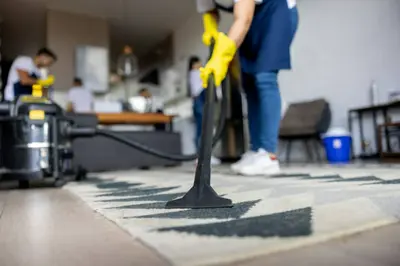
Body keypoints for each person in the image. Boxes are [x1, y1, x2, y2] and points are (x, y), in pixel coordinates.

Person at [196, 0, 299, 175]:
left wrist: (222, 57)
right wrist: (211, 30)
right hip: (251, 19)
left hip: (275, 12)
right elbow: (210, 11)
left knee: (264, 78)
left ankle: (268, 154)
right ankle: (256, 150)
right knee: (249, 84)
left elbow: (243, 18)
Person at [188, 56, 221, 165]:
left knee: (200, 130)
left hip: (198, 103)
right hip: (200, 103)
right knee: (204, 130)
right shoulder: (195, 73)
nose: (200, 65)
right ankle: (204, 156)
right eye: (198, 63)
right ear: (193, 65)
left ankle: (201, 156)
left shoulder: (192, 74)